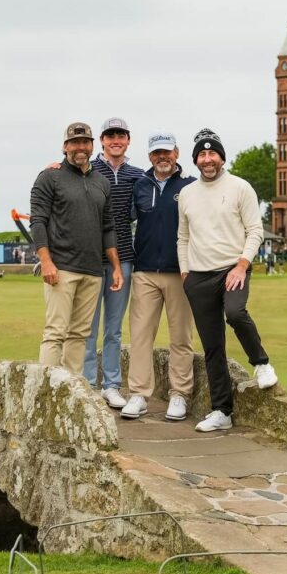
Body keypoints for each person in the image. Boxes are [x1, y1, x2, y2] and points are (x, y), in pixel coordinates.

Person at [178, 128, 278, 433]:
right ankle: (222, 411)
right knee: (212, 346)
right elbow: (183, 237)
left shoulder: (240, 188)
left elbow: (255, 231)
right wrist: (185, 274)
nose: (208, 160)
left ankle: (261, 363)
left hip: (233, 269)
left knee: (235, 313)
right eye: (202, 155)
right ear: (196, 160)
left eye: (213, 154)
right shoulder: (186, 194)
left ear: (222, 157)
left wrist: (242, 265)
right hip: (198, 275)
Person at [31, 121, 123, 377]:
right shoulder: (50, 176)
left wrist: (115, 266)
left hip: (93, 270)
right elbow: (38, 221)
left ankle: (71, 391)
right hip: (61, 267)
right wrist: (46, 261)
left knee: (79, 335)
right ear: (65, 146)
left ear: (93, 146)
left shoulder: (101, 182)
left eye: (85, 142)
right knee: (55, 333)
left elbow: (108, 227)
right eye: (74, 142)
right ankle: (45, 391)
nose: (80, 147)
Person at [121, 131, 197, 421]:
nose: (162, 157)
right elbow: (122, 217)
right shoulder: (140, 185)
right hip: (144, 271)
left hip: (180, 272)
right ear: (150, 155)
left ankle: (179, 394)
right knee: (140, 336)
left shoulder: (190, 186)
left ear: (176, 153)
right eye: (156, 153)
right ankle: (139, 394)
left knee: (181, 336)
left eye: (167, 152)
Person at [82, 117, 143, 409]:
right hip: (92, 259)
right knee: (88, 327)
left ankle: (111, 385)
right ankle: (87, 384)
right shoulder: (88, 170)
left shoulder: (137, 175)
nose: (116, 140)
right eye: (110, 136)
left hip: (125, 259)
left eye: (121, 135)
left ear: (128, 140)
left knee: (114, 328)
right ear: (102, 141)